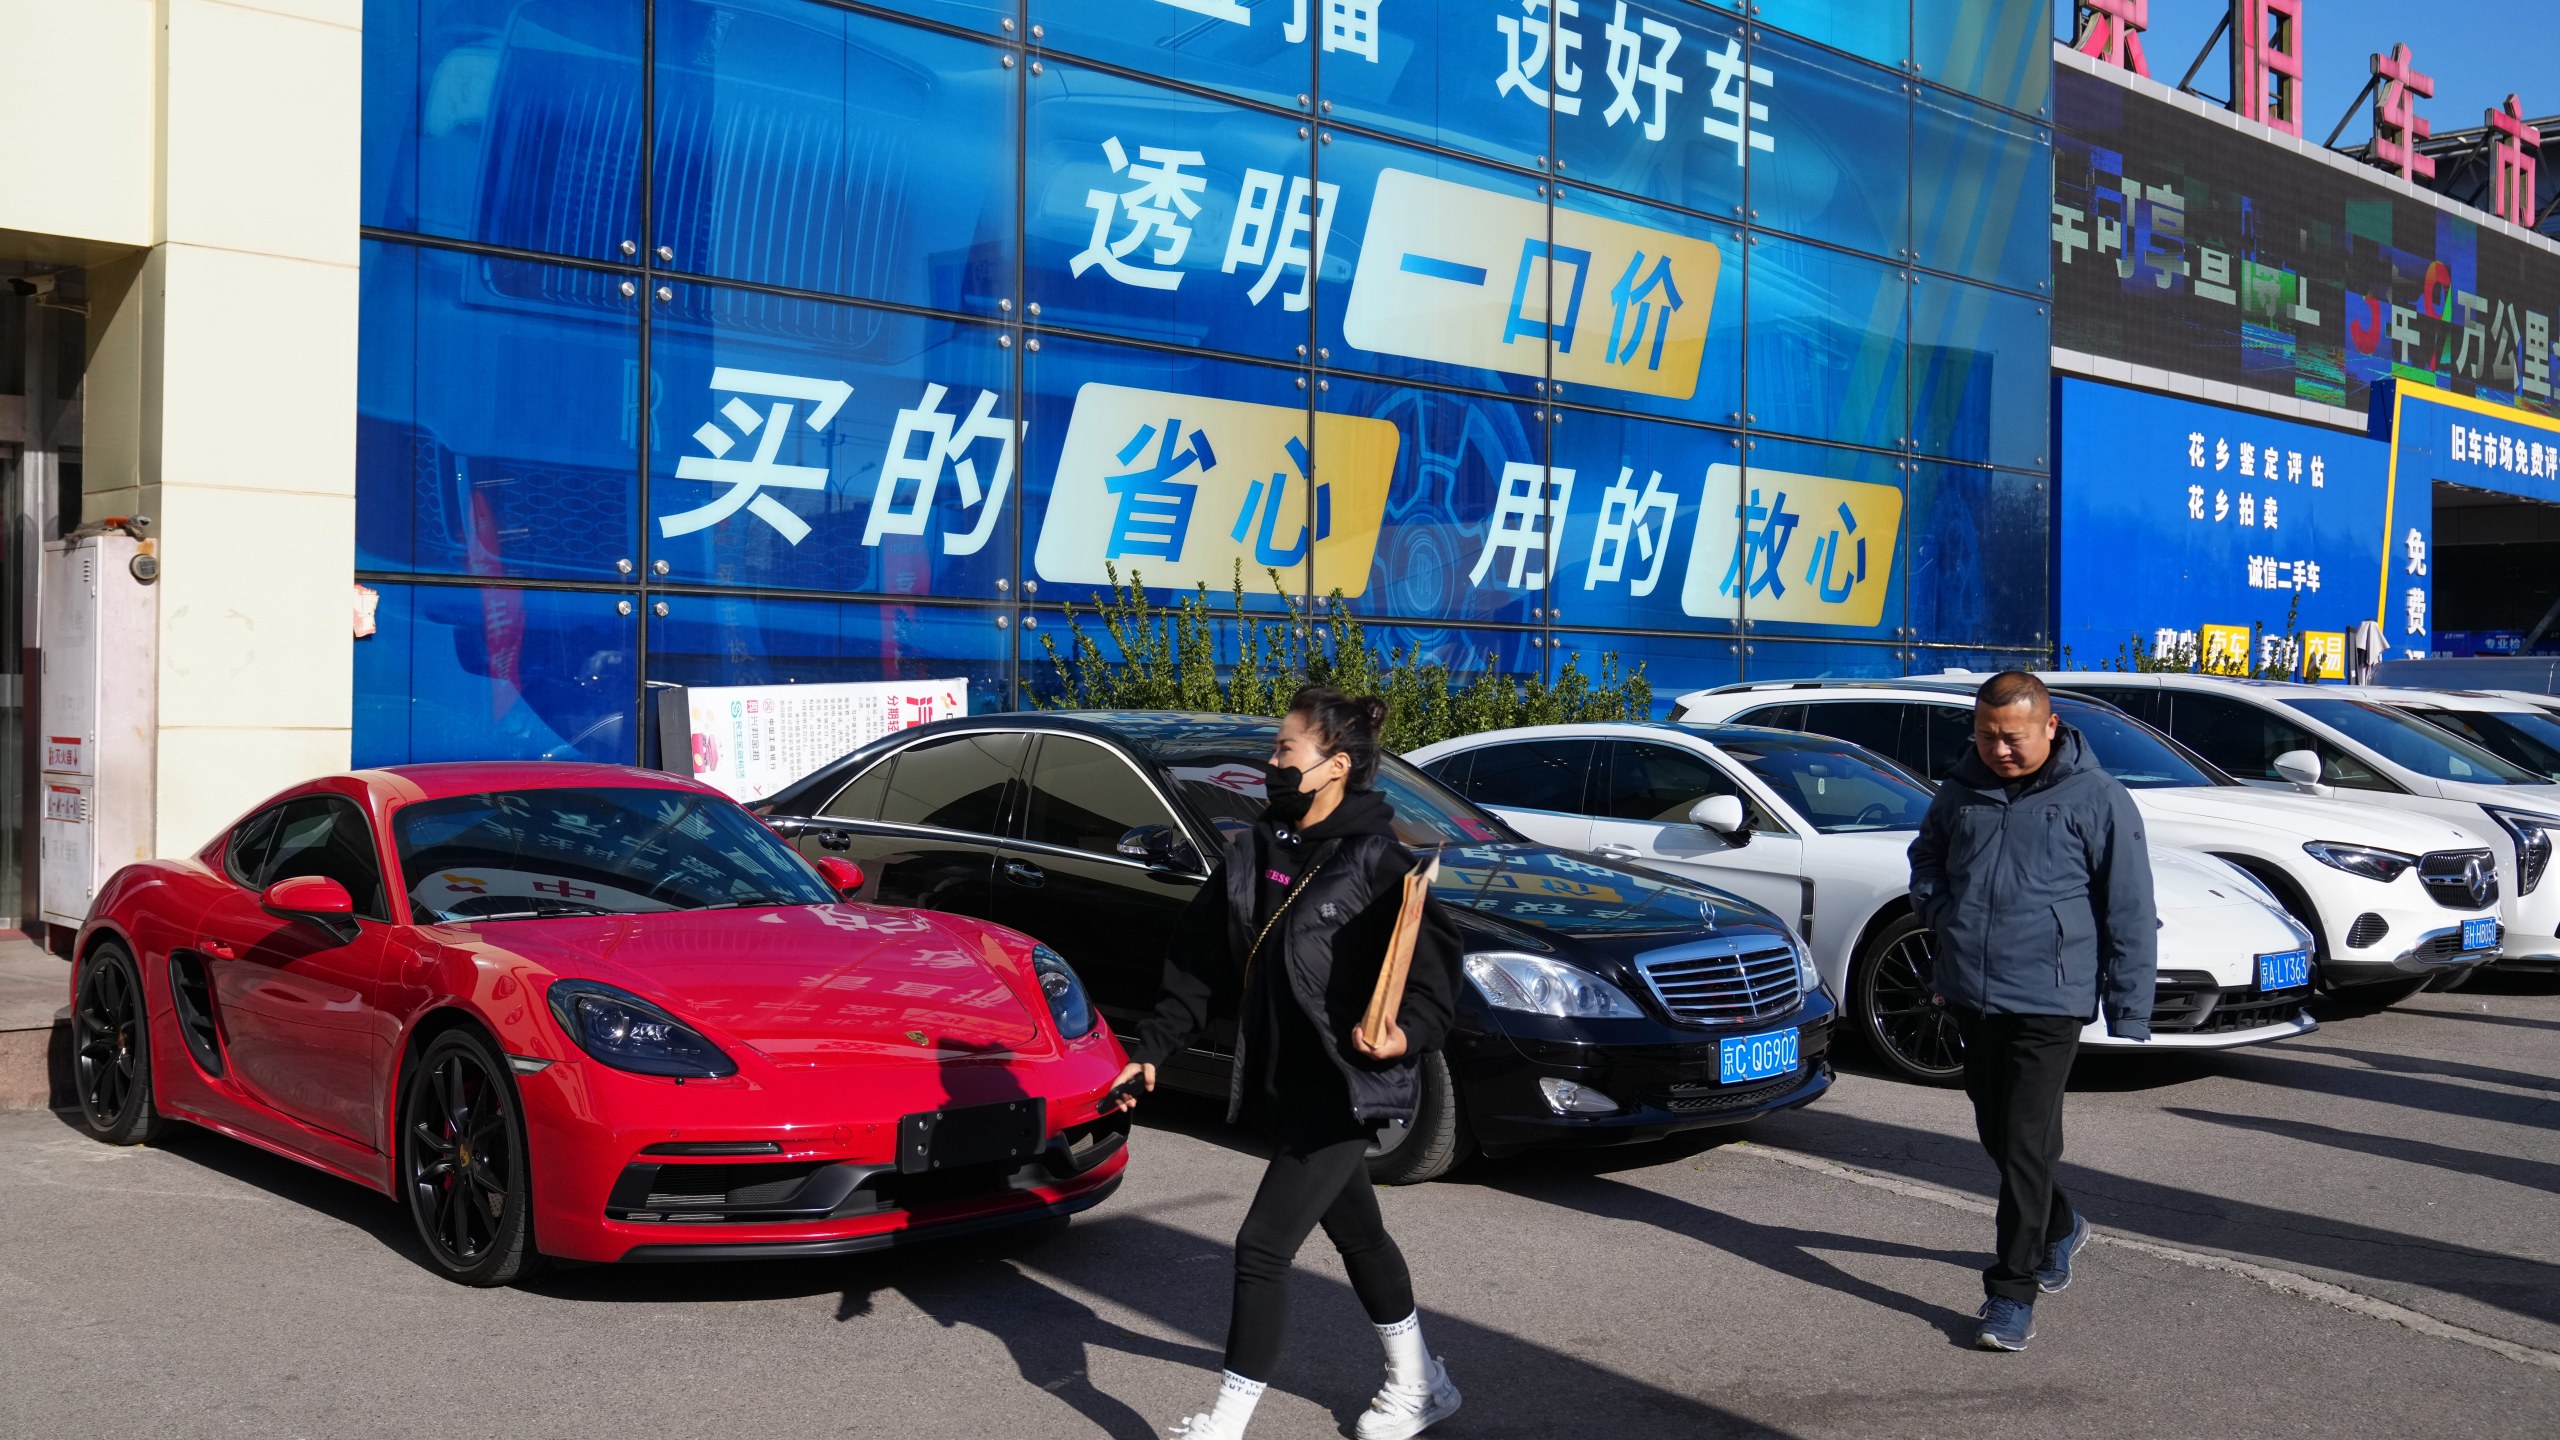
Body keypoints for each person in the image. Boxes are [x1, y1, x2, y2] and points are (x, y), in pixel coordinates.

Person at [1111, 686, 1465, 1440]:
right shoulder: (1254, 850)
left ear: (1335, 765)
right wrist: (1154, 1050)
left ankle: (1226, 1423)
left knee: (1262, 1246)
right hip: (1283, 1083)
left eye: (1284, 751)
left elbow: (1436, 981)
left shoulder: (1380, 860)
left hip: (1344, 1087)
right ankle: (1421, 1382)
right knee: (1360, 1235)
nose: (1269, 763)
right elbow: (1199, 959)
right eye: (1275, 749)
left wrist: (1404, 1036)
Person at [1906, 671, 2156, 1352]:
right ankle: (2060, 1223)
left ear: (2048, 727)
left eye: (2012, 738)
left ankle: (2010, 1294)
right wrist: (1939, 910)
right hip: (1970, 989)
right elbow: (1925, 859)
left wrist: (2130, 1005)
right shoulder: (1962, 790)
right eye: (1987, 736)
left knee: (2021, 1136)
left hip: (2051, 995)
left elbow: (2128, 905)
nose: (2000, 750)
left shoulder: (2098, 798)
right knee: (2001, 1129)